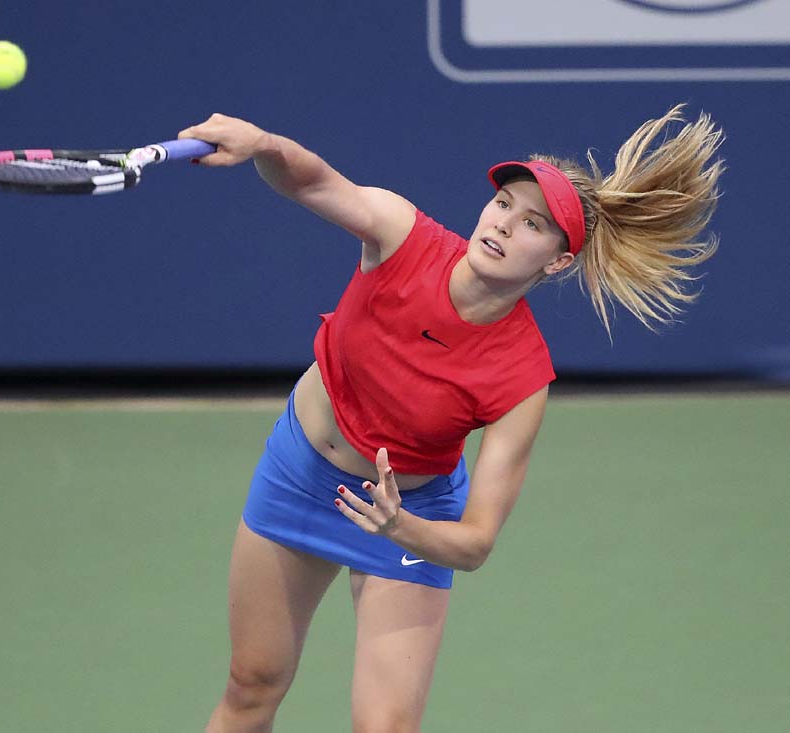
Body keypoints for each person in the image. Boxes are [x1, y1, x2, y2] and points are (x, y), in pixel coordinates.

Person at [178, 105, 724, 732]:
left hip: (411, 517)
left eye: (532, 224)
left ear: (556, 262)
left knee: (385, 728)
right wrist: (264, 143)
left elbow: (476, 543)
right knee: (253, 686)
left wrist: (397, 525)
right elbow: (311, 181)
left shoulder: (522, 378)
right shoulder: (400, 234)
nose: (503, 225)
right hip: (300, 475)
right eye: (503, 205)